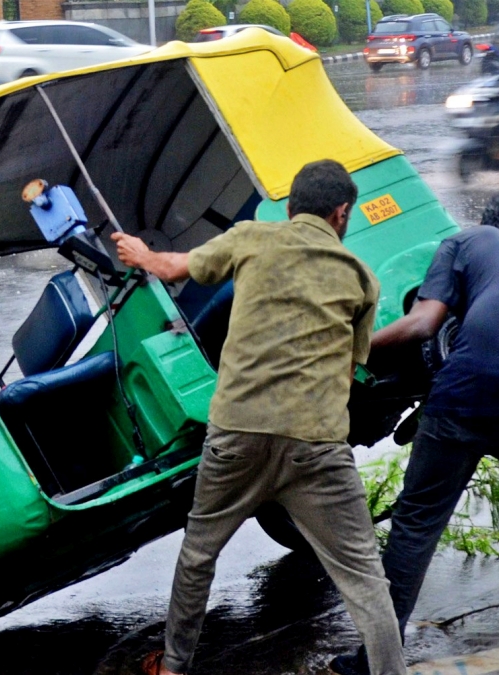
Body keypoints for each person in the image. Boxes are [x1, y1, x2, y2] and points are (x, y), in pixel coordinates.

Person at [111, 160, 408, 675]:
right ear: (341, 214)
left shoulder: (251, 238)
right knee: (364, 578)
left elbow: (171, 268)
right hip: (317, 446)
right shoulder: (361, 279)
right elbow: (354, 364)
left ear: (290, 207)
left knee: (199, 555)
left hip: (238, 435)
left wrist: (141, 253)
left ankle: (175, 666)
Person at [331, 191, 499, 675]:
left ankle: (378, 656)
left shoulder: (463, 242)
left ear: (487, 222)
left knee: (418, 519)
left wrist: (349, 351)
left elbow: (422, 325)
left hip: (470, 391)